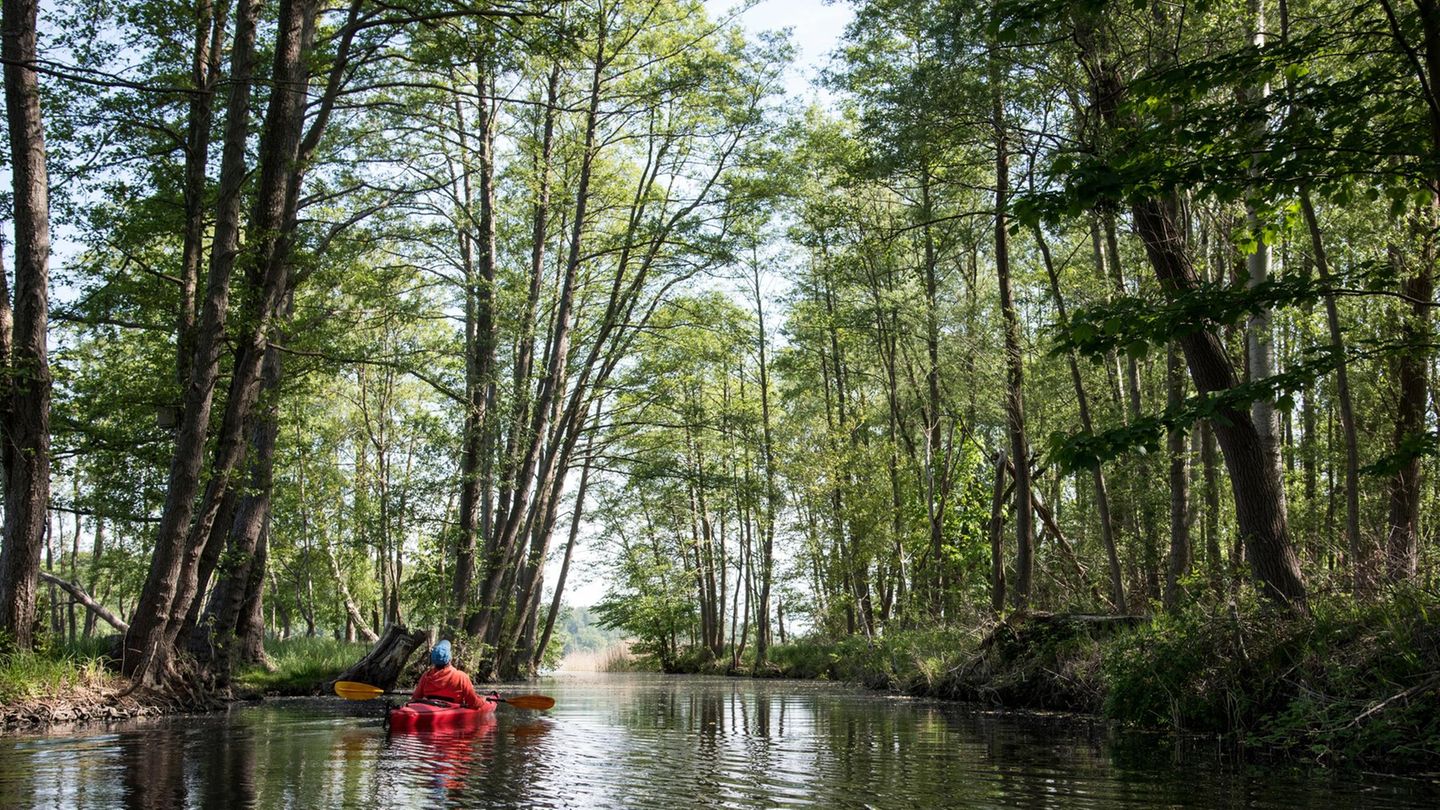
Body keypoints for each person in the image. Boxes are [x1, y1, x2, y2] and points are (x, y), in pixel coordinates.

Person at [411, 639, 485, 709]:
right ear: (450, 659)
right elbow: (474, 703)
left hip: (431, 710)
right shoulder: (461, 677)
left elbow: (414, 699)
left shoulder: (426, 676)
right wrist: (483, 700)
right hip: (452, 712)